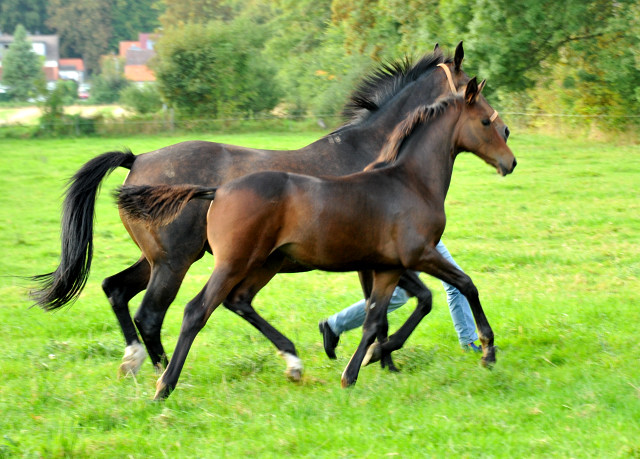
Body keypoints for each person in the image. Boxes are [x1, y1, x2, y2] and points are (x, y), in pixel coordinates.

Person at [318, 241, 481, 358]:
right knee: (398, 294)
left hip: (426, 228)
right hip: (411, 234)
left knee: (456, 282)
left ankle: (468, 341)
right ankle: (334, 325)